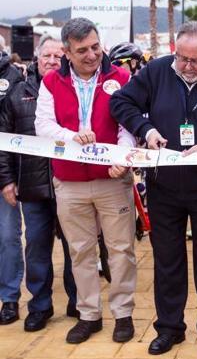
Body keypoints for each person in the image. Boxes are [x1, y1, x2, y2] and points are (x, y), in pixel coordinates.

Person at [110, 21, 197, 358]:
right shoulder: (158, 71)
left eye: (196, 60)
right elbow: (121, 103)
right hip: (165, 186)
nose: (187, 66)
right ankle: (170, 328)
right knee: (168, 260)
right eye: (182, 58)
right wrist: (146, 130)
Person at [34, 17, 137, 344]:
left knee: (121, 250)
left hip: (112, 181)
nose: (92, 55)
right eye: (82, 51)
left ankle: (123, 313)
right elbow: (43, 126)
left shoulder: (121, 76)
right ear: (67, 52)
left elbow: (129, 125)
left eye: (95, 46)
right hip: (69, 182)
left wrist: (122, 157)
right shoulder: (50, 82)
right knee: (80, 252)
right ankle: (89, 314)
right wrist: (73, 137)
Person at [0, 36, 79, 332]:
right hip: (32, 187)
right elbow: (3, 142)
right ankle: (40, 306)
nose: (52, 60)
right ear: (37, 58)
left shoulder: (75, 90)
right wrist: (6, 180)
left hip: (69, 182)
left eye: (58, 55)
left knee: (76, 246)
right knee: (36, 248)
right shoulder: (18, 93)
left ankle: (78, 301)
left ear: (67, 58)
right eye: (47, 55)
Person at [0, 30, 25, 327]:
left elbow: (15, 131)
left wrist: (7, 177)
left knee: (7, 237)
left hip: (4, 170)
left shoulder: (12, 78)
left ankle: (9, 298)